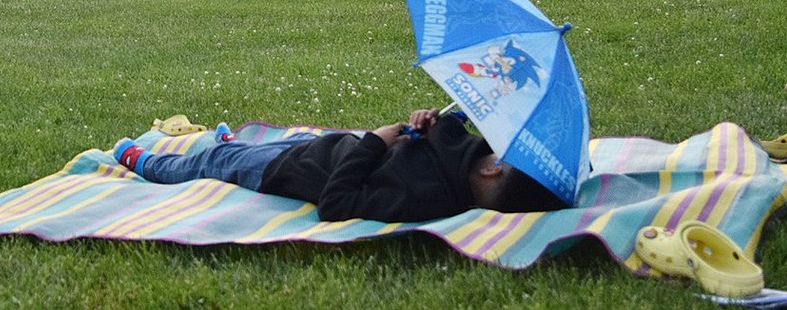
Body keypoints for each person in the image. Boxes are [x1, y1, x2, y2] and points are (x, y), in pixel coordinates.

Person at [113, 109, 569, 223]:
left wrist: (374, 141)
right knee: (241, 153)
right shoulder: (464, 155)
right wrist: (424, 122)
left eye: (501, 154)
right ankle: (233, 147)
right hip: (323, 147)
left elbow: (336, 203)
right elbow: (442, 133)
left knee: (215, 161)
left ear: (493, 173)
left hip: (293, 170)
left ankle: (145, 161)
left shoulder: (421, 200)